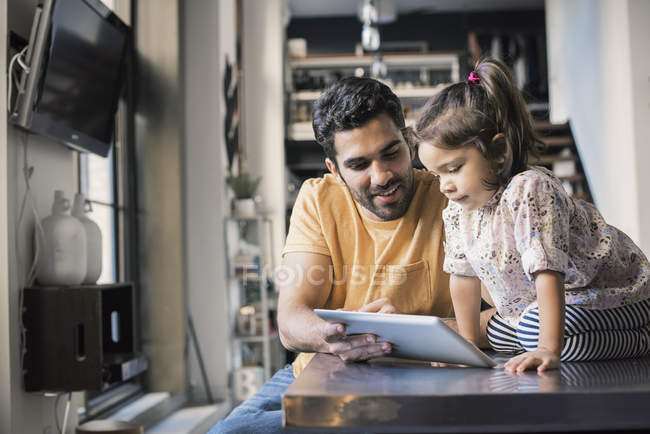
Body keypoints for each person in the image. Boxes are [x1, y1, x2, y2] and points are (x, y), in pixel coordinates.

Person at [211, 77, 495, 433]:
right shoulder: (317, 199)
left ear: (409, 142)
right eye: (359, 165)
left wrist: (423, 336)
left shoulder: (451, 196)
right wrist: (340, 334)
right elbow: (291, 321)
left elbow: (514, 313)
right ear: (335, 170)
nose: (382, 176)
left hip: (425, 376)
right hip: (321, 371)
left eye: (391, 153)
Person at [414, 57, 650, 374]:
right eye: (436, 175)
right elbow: (463, 277)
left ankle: (643, 338)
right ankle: (544, 336)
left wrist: (547, 349)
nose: (445, 186)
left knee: (531, 331)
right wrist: (467, 343)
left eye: (454, 169)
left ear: (498, 152)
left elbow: (547, 272)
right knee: (498, 331)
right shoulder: (458, 211)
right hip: (541, 310)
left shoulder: (530, 190)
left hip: (619, 296)